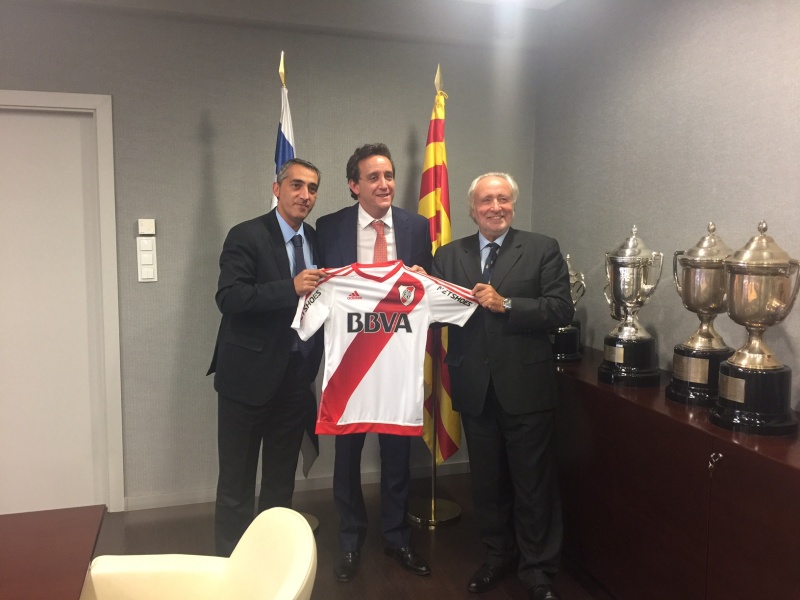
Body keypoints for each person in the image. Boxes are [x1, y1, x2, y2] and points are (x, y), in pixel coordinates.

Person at [431, 172, 574, 600]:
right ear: (472, 209)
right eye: (487, 200)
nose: (496, 207)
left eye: (503, 199)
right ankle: (497, 557)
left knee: (533, 485)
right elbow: (434, 315)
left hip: (526, 388)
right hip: (474, 388)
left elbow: (560, 309)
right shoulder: (448, 255)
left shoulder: (542, 248)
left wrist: (506, 303)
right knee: (487, 484)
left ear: (513, 204)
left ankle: (538, 571)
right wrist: (417, 288)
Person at [315, 143, 433, 582]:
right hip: (350, 359)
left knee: (397, 455)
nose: (384, 184)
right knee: (346, 457)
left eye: (389, 176)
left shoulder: (416, 226)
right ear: (354, 185)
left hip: (397, 359)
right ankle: (350, 541)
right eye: (373, 177)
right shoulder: (329, 228)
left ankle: (397, 538)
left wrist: (425, 279)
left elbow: (428, 286)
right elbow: (320, 291)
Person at [207, 158, 326, 557]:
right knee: (236, 482)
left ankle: (271, 560)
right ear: (277, 189)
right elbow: (230, 297)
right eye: (296, 185)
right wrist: (289, 287)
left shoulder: (317, 240)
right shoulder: (247, 235)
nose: (305, 195)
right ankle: (230, 563)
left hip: (296, 380)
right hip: (247, 379)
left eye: (312, 188)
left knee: (280, 481)